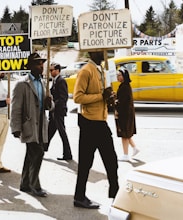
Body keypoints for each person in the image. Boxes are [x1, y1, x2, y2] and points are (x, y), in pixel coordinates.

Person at [73, 51, 119, 209]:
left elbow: (104, 95)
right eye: (101, 50)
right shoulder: (86, 71)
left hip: (100, 121)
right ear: (93, 52)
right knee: (86, 163)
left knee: (111, 161)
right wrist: (101, 96)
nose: (104, 53)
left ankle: (115, 194)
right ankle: (79, 197)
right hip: (89, 123)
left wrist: (109, 98)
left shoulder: (102, 70)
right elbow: (77, 98)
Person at [10, 52, 53, 197]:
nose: (41, 66)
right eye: (37, 64)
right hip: (29, 125)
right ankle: (35, 185)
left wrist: (49, 104)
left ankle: (24, 183)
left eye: (42, 64)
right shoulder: (22, 84)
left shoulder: (43, 82)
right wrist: (15, 128)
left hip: (41, 124)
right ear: (30, 67)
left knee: (30, 155)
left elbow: (50, 105)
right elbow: (16, 108)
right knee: (38, 153)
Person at [45, 62, 72, 160]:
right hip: (54, 111)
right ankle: (43, 148)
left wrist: (54, 105)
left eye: (52, 70)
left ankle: (67, 154)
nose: (50, 72)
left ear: (57, 71)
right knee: (49, 131)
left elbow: (63, 97)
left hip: (58, 111)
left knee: (62, 132)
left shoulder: (61, 81)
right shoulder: (54, 81)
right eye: (50, 70)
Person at [114, 67, 140, 161]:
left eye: (119, 75)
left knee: (124, 134)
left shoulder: (124, 87)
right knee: (127, 134)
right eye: (117, 75)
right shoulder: (124, 86)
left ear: (124, 76)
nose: (117, 77)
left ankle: (125, 154)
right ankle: (135, 148)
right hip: (126, 114)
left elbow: (122, 102)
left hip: (124, 114)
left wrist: (115, 101)